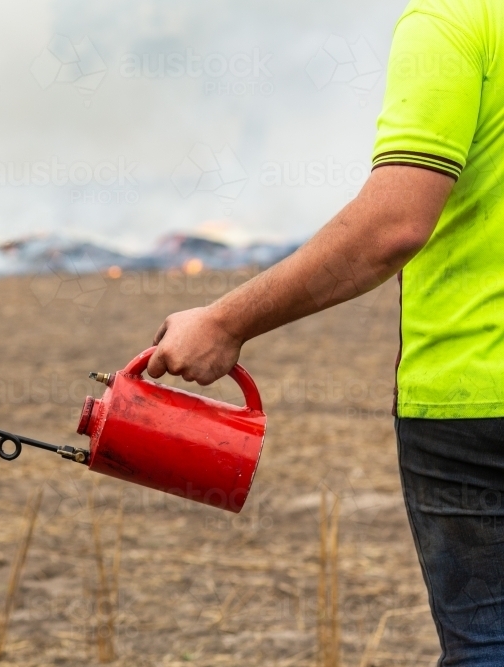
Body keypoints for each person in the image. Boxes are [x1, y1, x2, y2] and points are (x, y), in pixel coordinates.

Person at [147, 0, 504, 663]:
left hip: (476, 400)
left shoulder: (458, 18)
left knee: (490, 643)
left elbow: (392, 225)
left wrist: (226, 322)